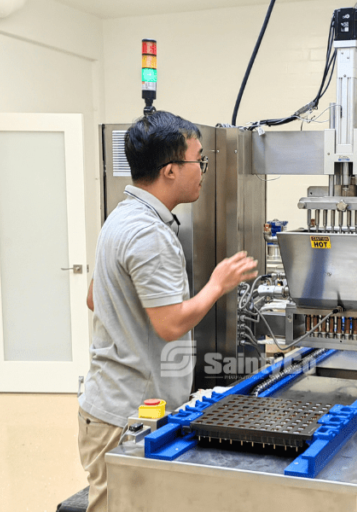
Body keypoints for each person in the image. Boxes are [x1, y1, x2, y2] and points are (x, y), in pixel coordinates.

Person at [78, 111, 258, 512]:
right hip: (126, 416)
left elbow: (94, 296)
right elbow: (171, 323)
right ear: (171, 170)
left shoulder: (121, 217)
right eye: (199, 161)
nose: (203, 171)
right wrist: (218, 284)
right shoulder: (148, 234)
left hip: (113, 405)